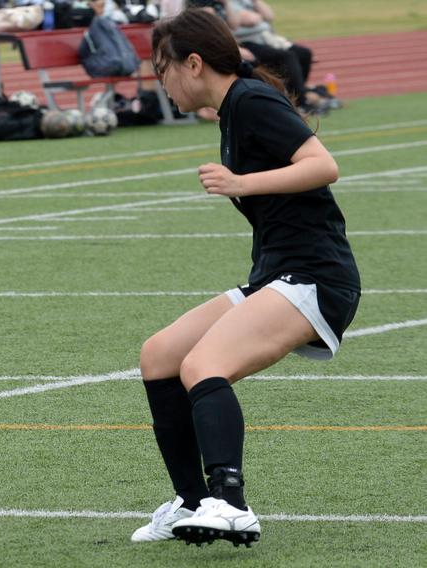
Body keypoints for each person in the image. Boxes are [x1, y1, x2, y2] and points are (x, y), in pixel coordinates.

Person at [130, 8, 360, 547]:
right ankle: (190, 502)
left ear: (193, 62)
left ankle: (230, 504)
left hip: (313, 275)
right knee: (159, 355)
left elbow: (322, 165)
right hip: (275, 273)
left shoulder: (251, 100)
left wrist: (242, 181)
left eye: (162, 69)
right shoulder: (232, 108)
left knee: (204, 364)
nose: (159, 82)